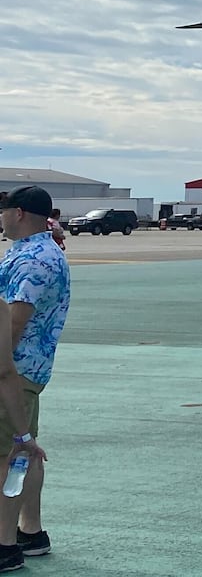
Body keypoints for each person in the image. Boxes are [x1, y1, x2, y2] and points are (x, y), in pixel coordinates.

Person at [0, 187, 68, 567]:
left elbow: (15, 320)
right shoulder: (40, 253)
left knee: (5, 458)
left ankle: (5, 544)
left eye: (4, 211)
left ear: (20, 213)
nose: (1, 218)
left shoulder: (32, 260)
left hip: (12, 370)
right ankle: (30, 531)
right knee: (25, 448)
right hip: (28, 369)